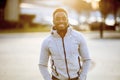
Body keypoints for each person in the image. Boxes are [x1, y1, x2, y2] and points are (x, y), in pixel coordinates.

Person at [38, 8, 91, 80]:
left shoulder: (78, 37)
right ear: (53, 21)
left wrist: (82, 78)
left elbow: (87, 59)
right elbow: (42, 65)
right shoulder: (47, 41)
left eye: (63, 18)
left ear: (67, 20)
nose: (61, 21)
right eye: (58, 19)